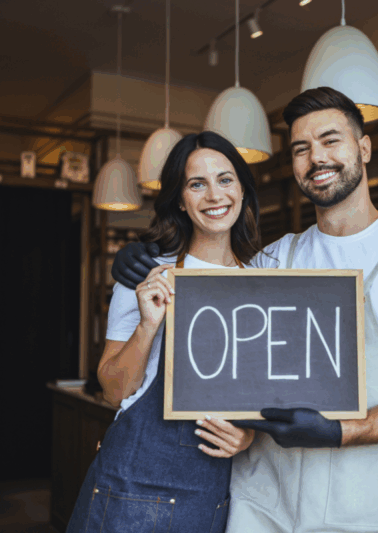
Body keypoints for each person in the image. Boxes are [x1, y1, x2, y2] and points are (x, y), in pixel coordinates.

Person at [112, 87, 378, 532]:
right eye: (301, 149)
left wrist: (340, 431)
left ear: (363, 148)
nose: (317, 158)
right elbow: (207, 282)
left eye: (331, 141)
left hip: (362, 509)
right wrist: (141, 256)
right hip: (259, 506)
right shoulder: (274, 257)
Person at [66, 131, 259, 533]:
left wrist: (250, 436)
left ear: (242, 189)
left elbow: (269, 391)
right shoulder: (147, 276)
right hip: (132, 489)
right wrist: (148, 325)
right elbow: (113, 390)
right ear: (180, 201)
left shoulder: (265, 283)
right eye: (196, 184)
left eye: (225, 179)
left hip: (214, 492)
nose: (213, 195)